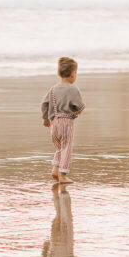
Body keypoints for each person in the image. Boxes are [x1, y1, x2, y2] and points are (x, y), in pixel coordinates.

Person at [41, 57, 85, 185]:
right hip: (66, 123)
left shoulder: (53, 89)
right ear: (73, 73)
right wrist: (78, 111)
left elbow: (44, 104)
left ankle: (55, 169)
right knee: (66, 148)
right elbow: (80, 106)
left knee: (59, 148)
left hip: (53, 123)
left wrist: (45, 119)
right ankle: (63, 175)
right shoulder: (73, 89)